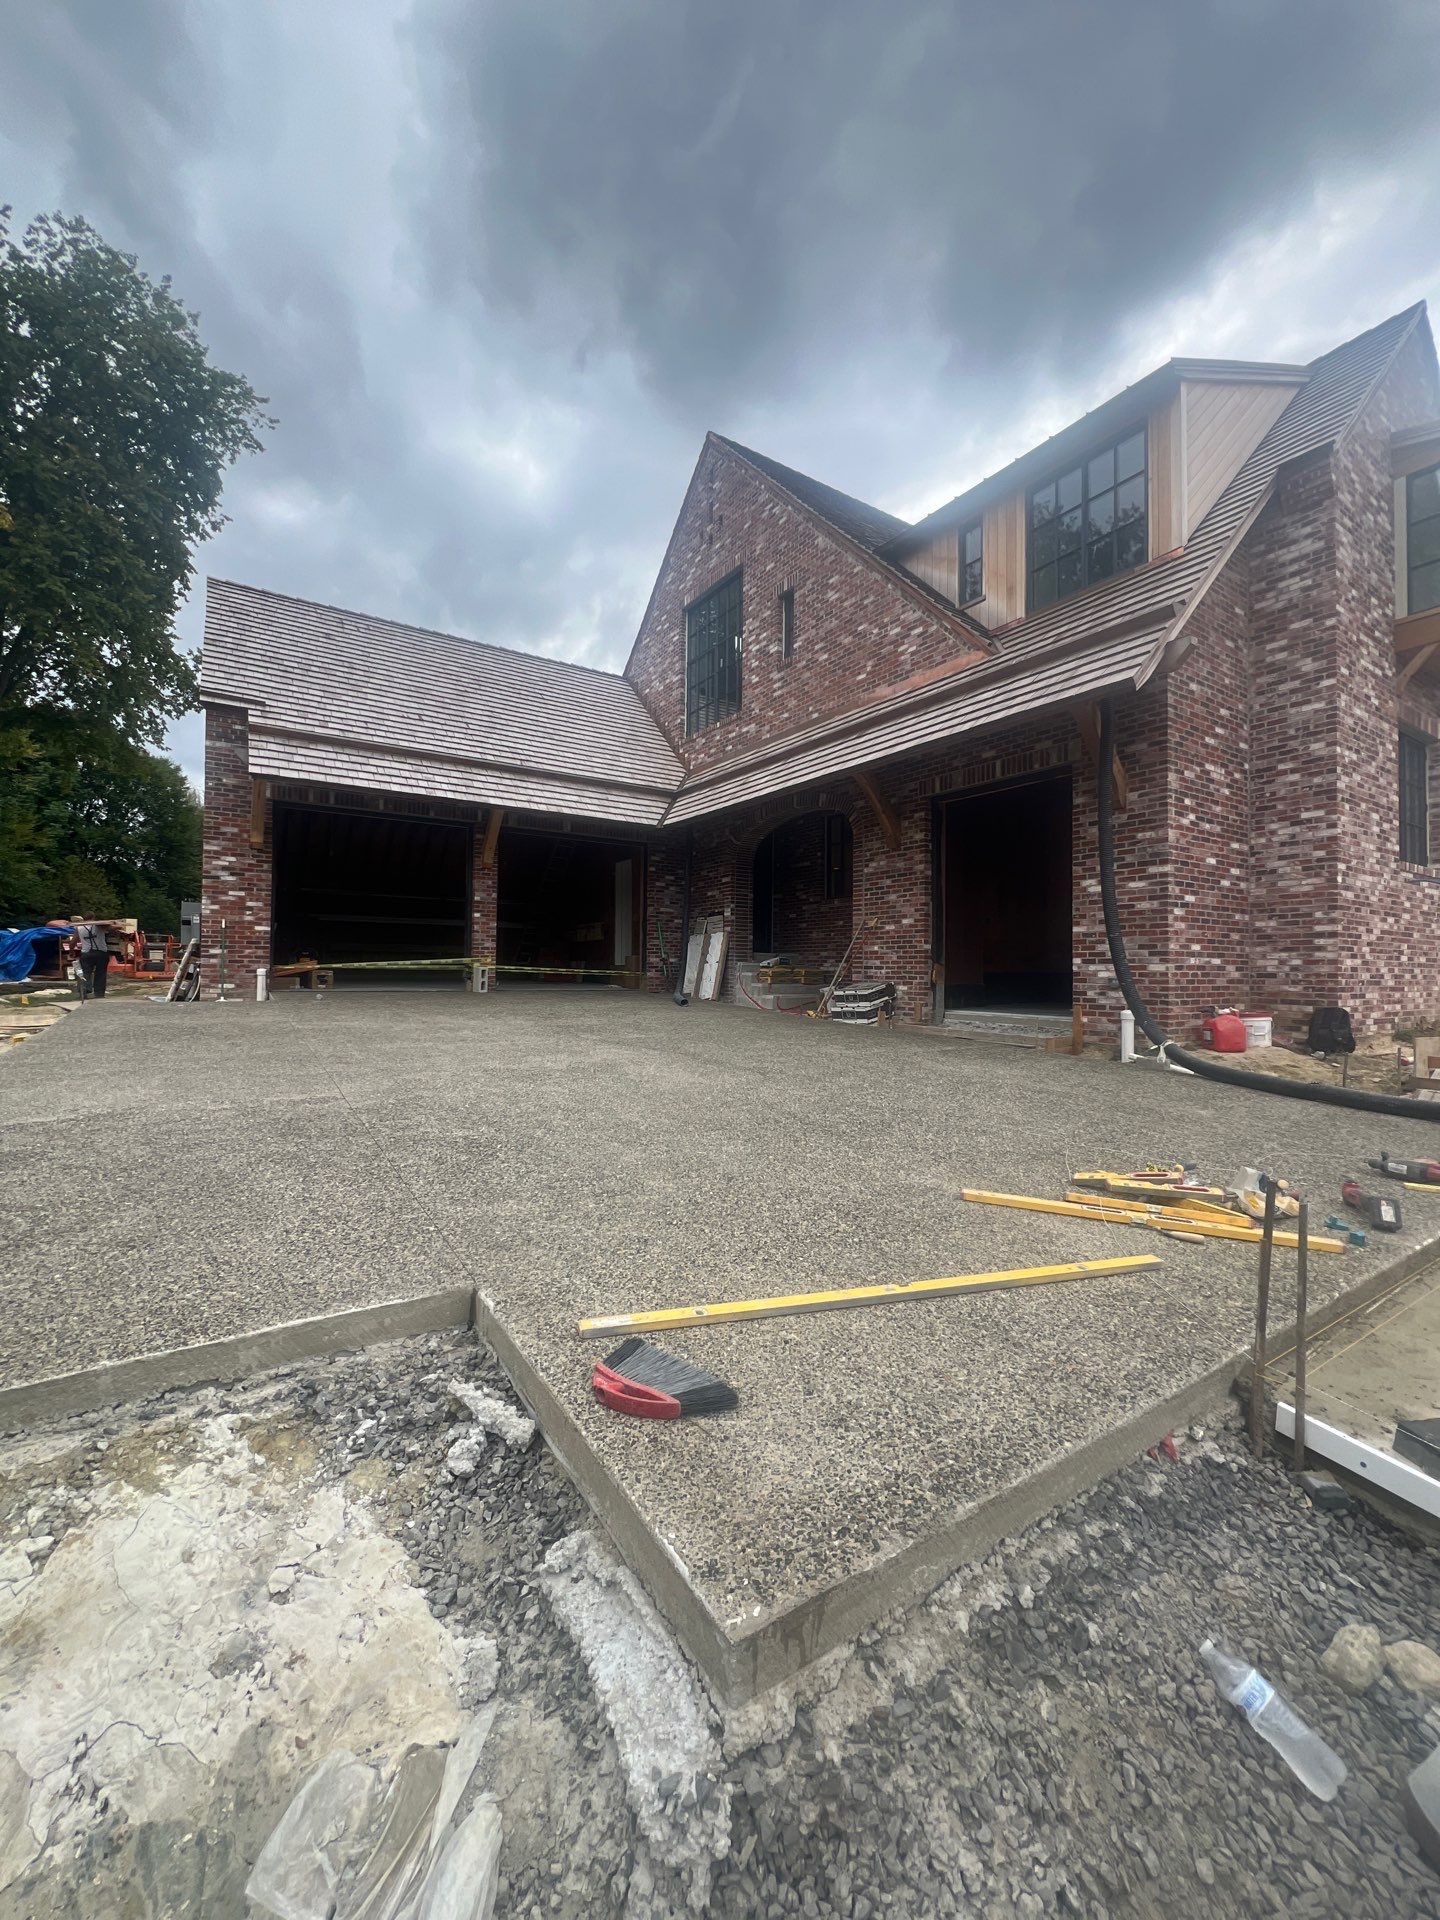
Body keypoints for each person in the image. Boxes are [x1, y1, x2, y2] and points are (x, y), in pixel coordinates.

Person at [70, 915, 111, 998]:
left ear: (84, 919)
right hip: (101, 953)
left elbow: (73, 941)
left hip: (86, 954)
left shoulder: (79, 928)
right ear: (94, 918)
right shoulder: (99, 925)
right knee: (101, 973)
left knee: (85, 973)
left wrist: (71, 951)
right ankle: (99, 993)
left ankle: (84, 990)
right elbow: (111, 928)